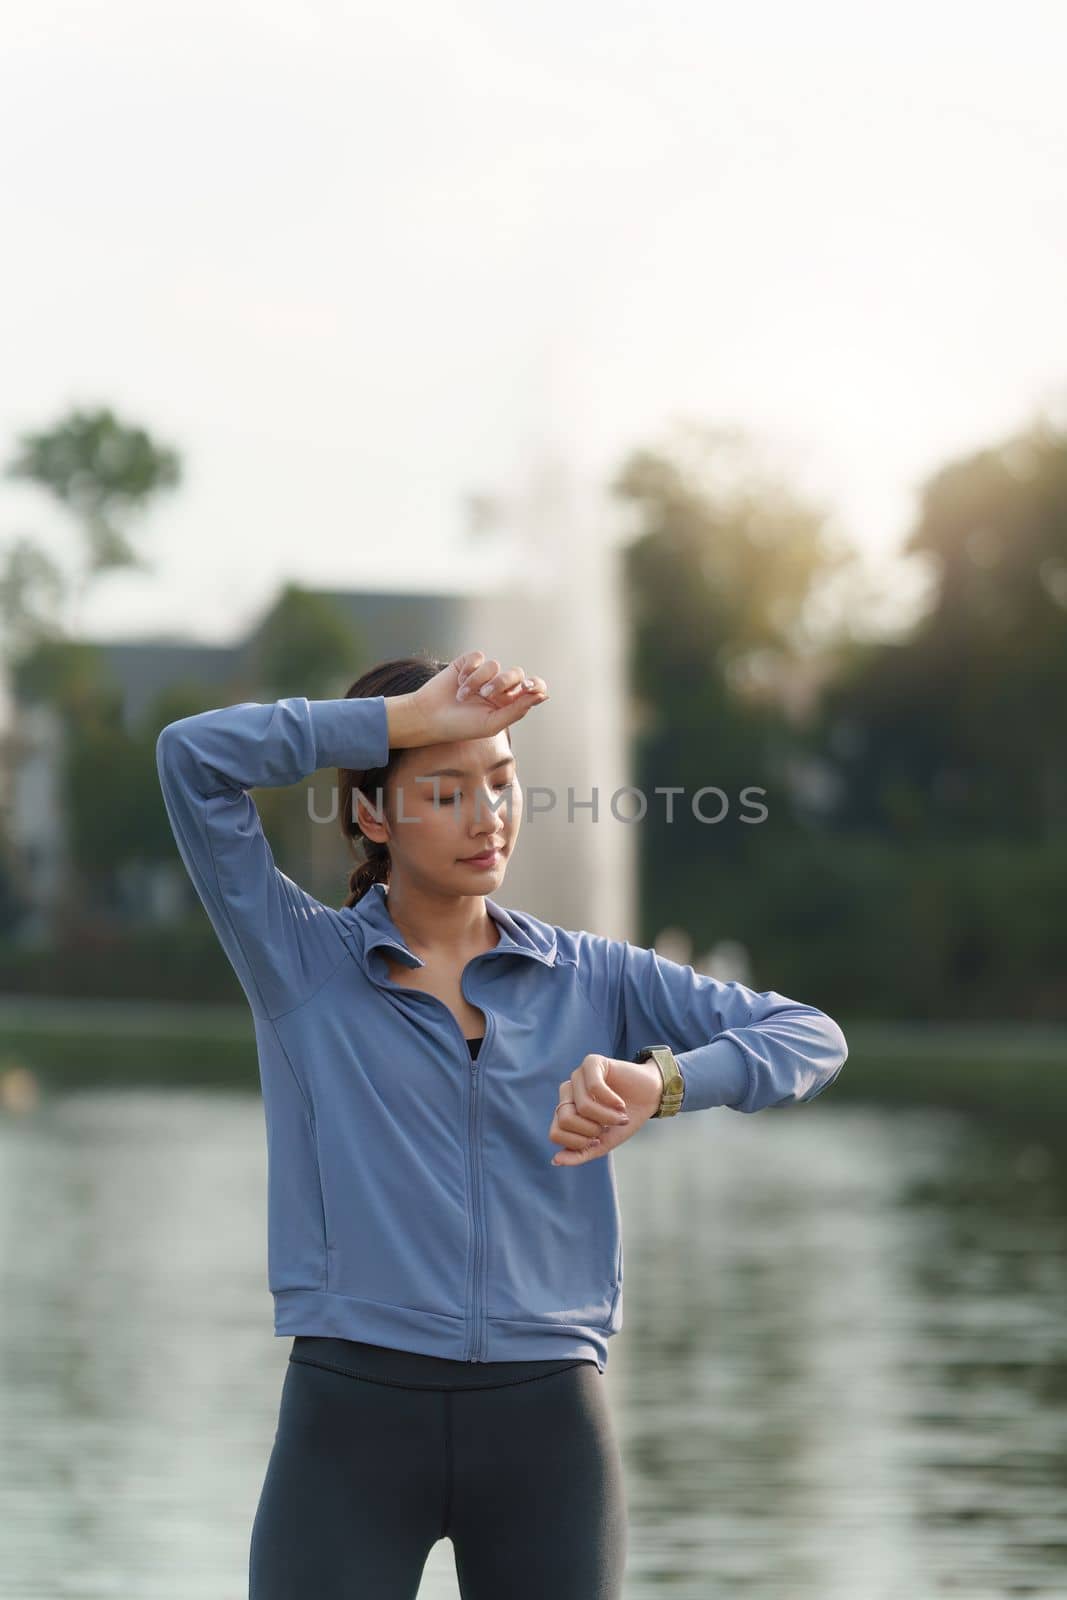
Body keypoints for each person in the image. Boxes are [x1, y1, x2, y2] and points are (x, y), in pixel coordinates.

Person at [155, 647, 848, 1599]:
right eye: (444, 791)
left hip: (548, 1430)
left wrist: (662, 1083)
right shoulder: (300, 963)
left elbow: (808, 1036)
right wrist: (405, 720)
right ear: (369, 814)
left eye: (502, 783)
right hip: (349, 1424)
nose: (487, 817)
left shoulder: (590, 976)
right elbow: (191, 758)